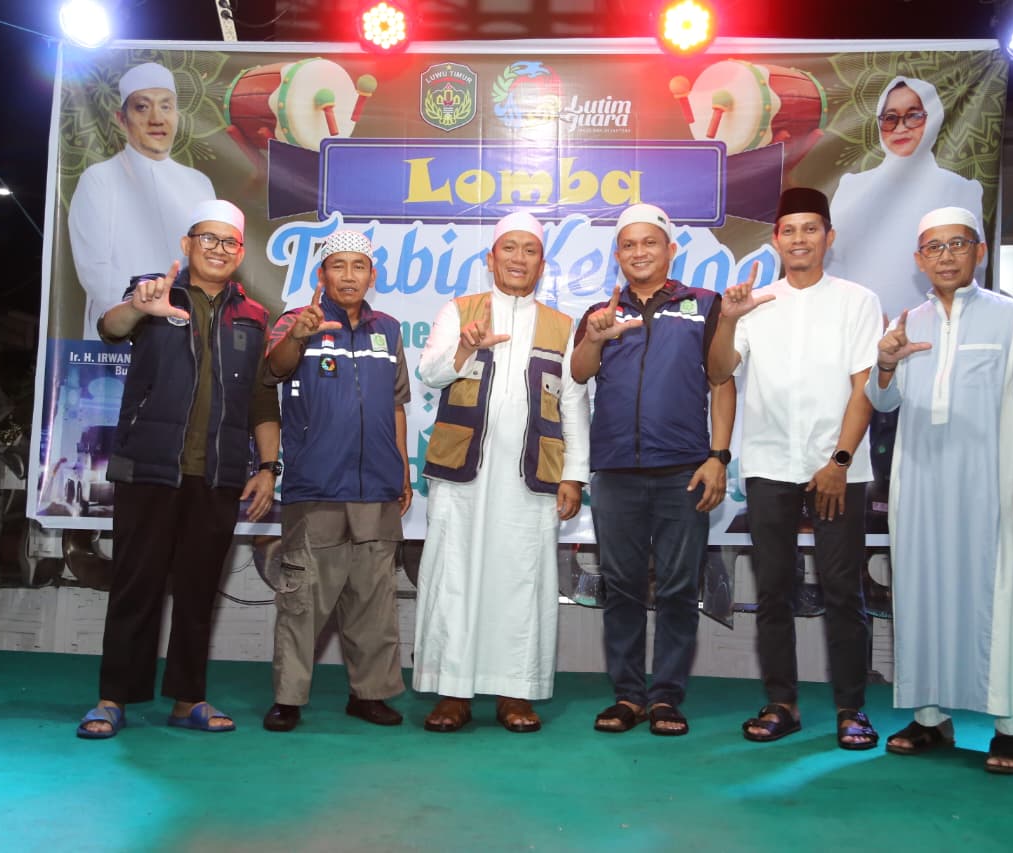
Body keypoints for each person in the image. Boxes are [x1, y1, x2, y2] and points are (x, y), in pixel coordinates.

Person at [75, 199, 279, 738]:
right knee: (135, 585)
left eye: (229, 241)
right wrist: (141, 307)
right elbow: (110, 327)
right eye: (207, 238)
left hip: (217, 476)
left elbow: (262, 400)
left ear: (241, 253)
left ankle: (189, 699)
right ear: (187, 245)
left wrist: (268, 466)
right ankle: (112, 698)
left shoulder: (255, 316)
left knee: (198, 591)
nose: (218, 249)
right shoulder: (153, 292)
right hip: (150, 467)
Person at [868, 206, 1013, 774]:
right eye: (934, 246)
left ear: (979, 251)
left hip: (994, 484)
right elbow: (884, 403)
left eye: (957, 244)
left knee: (1004, 599)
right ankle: (929, 719)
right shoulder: (907, 322)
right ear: (918, 259)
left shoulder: (1011, 316)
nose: (946, 255)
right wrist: (885, 364)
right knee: (921, 594)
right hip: (921, 483)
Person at [711, 187, 883, 750]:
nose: (800, 239)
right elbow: (719, 372)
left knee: (843, 590)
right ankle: (780, 703)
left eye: (811, 229)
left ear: (829, 238)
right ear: (775, 240)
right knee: (774, 590)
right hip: (769, 465)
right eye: (790, 230)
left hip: (838, 470)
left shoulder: (858, 301)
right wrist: (728, 320)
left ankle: (852, 709)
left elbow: (864, 387)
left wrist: (839, 461)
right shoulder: (755, 303)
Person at [413, 211, 590, 734]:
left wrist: (574, 475)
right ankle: (453, 692)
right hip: (462, 475)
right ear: (491, 259)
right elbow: (429, 373)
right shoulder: (460, 311)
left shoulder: (563, 326)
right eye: (508, 248)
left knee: (523, 582)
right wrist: (466, 346)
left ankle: (517, 691)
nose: (518, 258)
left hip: (532, 478)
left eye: (529, 250)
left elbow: (574, 404)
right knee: (455, 578)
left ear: (542, 263)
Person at [572, 203, 735, 737]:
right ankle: (627, 695)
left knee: (677, 587)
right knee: (620, 586)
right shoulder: (601, 311)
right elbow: (579, 373)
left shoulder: (703, 305)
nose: (639, 252)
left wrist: (718, 456)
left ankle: (666, 697)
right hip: (615, 470)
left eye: (649, 242)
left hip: (684, 470)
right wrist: (595, 337)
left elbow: (721, 380)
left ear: (670, 249)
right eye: (628, 244)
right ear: (617, 254)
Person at [260, 230, 411, 733]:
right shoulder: (296, 322)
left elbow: (396, 404)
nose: (349, 275)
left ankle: (370, 694)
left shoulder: (388, 330)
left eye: (358, 266)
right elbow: (273, 370)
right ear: (321, 274)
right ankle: (288, 698)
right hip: (317, 487)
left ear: (372, 275)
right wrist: (299, 336)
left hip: (377, 488)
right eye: (338, 266)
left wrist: (402, 467)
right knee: (302, 600)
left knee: (374, 600)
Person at [69, 62, 217, 339]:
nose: (156, 119)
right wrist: (140, 311)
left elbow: (205, 266)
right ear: (121, 118)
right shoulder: (99, 179)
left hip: (182, 333)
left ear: (177, 115)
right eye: (142, 107)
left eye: (166, 106)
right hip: (119, 334)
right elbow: (94, 270)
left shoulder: (199, 184)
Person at [827, 76, 985, 321]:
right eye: (890, 118)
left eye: (913, 116)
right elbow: (833, 264)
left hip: (940, 327)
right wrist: (855, 320)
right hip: (862, 326)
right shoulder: (853, 187)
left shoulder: (961, 189)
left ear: (932, 119)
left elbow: (974, 270)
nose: (901, 128)